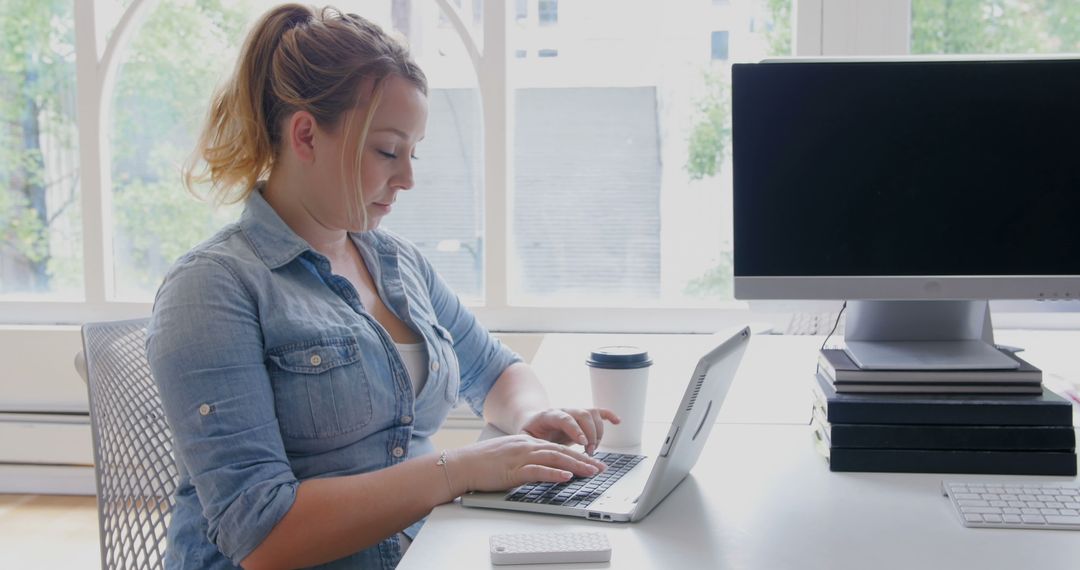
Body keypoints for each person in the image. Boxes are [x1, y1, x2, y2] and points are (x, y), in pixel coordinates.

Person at [146, 4, 619, 569]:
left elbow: (494, 369)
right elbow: (262, 533)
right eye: (388, 151)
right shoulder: (212, 289)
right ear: (304, 135)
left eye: (412, 153)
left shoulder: (397, 262)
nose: (409, 178)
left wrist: (533, 420)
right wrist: (461, 470)